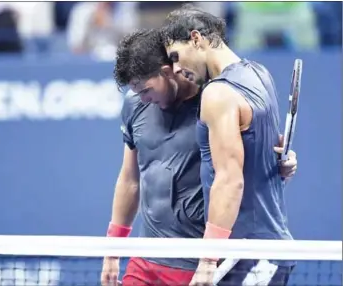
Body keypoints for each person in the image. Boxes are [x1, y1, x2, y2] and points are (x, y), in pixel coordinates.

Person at [101, 27, 298, 286]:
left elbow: (240, 175)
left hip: (196, 263)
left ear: (168, 70)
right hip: (145, 258)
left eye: (146, 89)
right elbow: (129, 180)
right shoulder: (134, 104)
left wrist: (281, 164)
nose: (143, 99)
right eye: (137, 92)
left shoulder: (215, 101)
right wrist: (112, 250)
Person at [162, 4, 296, 285]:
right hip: (269, 247)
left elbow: (229, 180)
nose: (175, 69)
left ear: (196, 39)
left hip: (246, 253)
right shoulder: (260, 74)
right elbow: (271, 157)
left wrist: (209, 259)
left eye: (176, 57)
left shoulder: (218, 93)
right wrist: (285, 162)